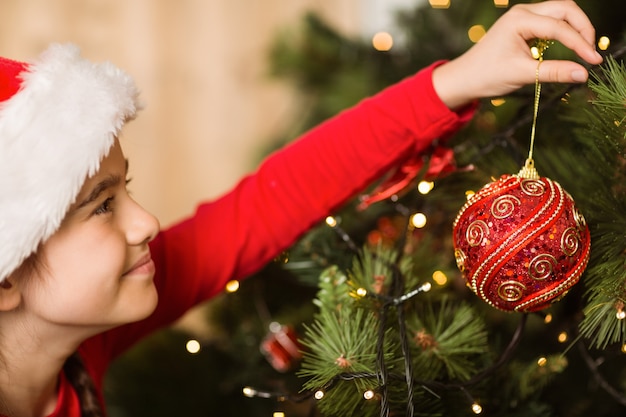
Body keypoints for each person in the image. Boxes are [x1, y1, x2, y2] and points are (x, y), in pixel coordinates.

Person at [0, 1, 603, 416]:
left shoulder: (76, 342)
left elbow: (270, 202)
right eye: (103, 207)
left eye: (126, 189)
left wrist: (452, 83)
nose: (147, 222)